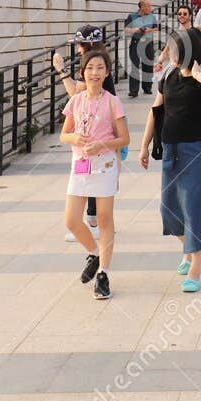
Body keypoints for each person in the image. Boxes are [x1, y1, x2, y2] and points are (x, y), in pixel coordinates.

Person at [139, 34, 201, 292]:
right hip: (171, 149)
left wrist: (195, 74)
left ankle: (195, 269)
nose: (171, 52)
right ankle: (187, 250)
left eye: (176, 48)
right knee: (170, 209)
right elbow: (156, 111)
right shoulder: (168, 76)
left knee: (195, 207)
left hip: (199, 150)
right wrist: (144, 145)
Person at [60, 51, 129, 300]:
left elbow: (124, 138)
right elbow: (64, 134)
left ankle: (103, 273)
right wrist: (75, 138)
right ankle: (94, 252)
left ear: (107, 72)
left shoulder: (112, 101)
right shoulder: (76, 101)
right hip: (80, 164)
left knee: (104, 217)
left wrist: (102, 145)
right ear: (82, 72)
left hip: (105, 164)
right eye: (90, 68)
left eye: (100, 68)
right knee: (71, 220)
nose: (95, 72)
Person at [53, 25, 117, 242]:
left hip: (102, 133)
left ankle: (94, 225)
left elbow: (73, 92)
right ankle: (93, 222)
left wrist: (60, 70)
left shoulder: (93, 65)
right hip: (100, 132)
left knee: (96, 179)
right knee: (92, 176)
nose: (77, 50)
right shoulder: (100, 62)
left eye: (79, 45)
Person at [124, 0, 161, 99]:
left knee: (148, 66)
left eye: (150, 6)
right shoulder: (132, 16)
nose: (150, 8)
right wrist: (135, 30)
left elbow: (156, 28)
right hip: (136, 43)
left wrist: (150, 30)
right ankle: (133, 91)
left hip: (148, 44)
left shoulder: (152, 17)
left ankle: (147, 88)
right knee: (134, 66)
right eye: (148, 6)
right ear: (142, 7)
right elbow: (126, 29)